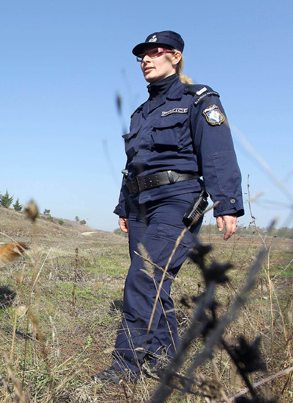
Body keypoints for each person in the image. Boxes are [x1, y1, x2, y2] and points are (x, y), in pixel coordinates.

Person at [95, 31, 244, 384]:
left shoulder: (198, 99)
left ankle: (125, 366)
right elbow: (134, 162)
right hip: (140, 204)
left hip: (177, 198)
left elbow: (217, 150)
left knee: (144, 276)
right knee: (154, 284)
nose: (146, 60)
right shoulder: (141, 113)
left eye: (155, 53)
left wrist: (227, 203)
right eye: (142, 56)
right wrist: (123, 207)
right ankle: (165, 361)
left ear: (175, 57)